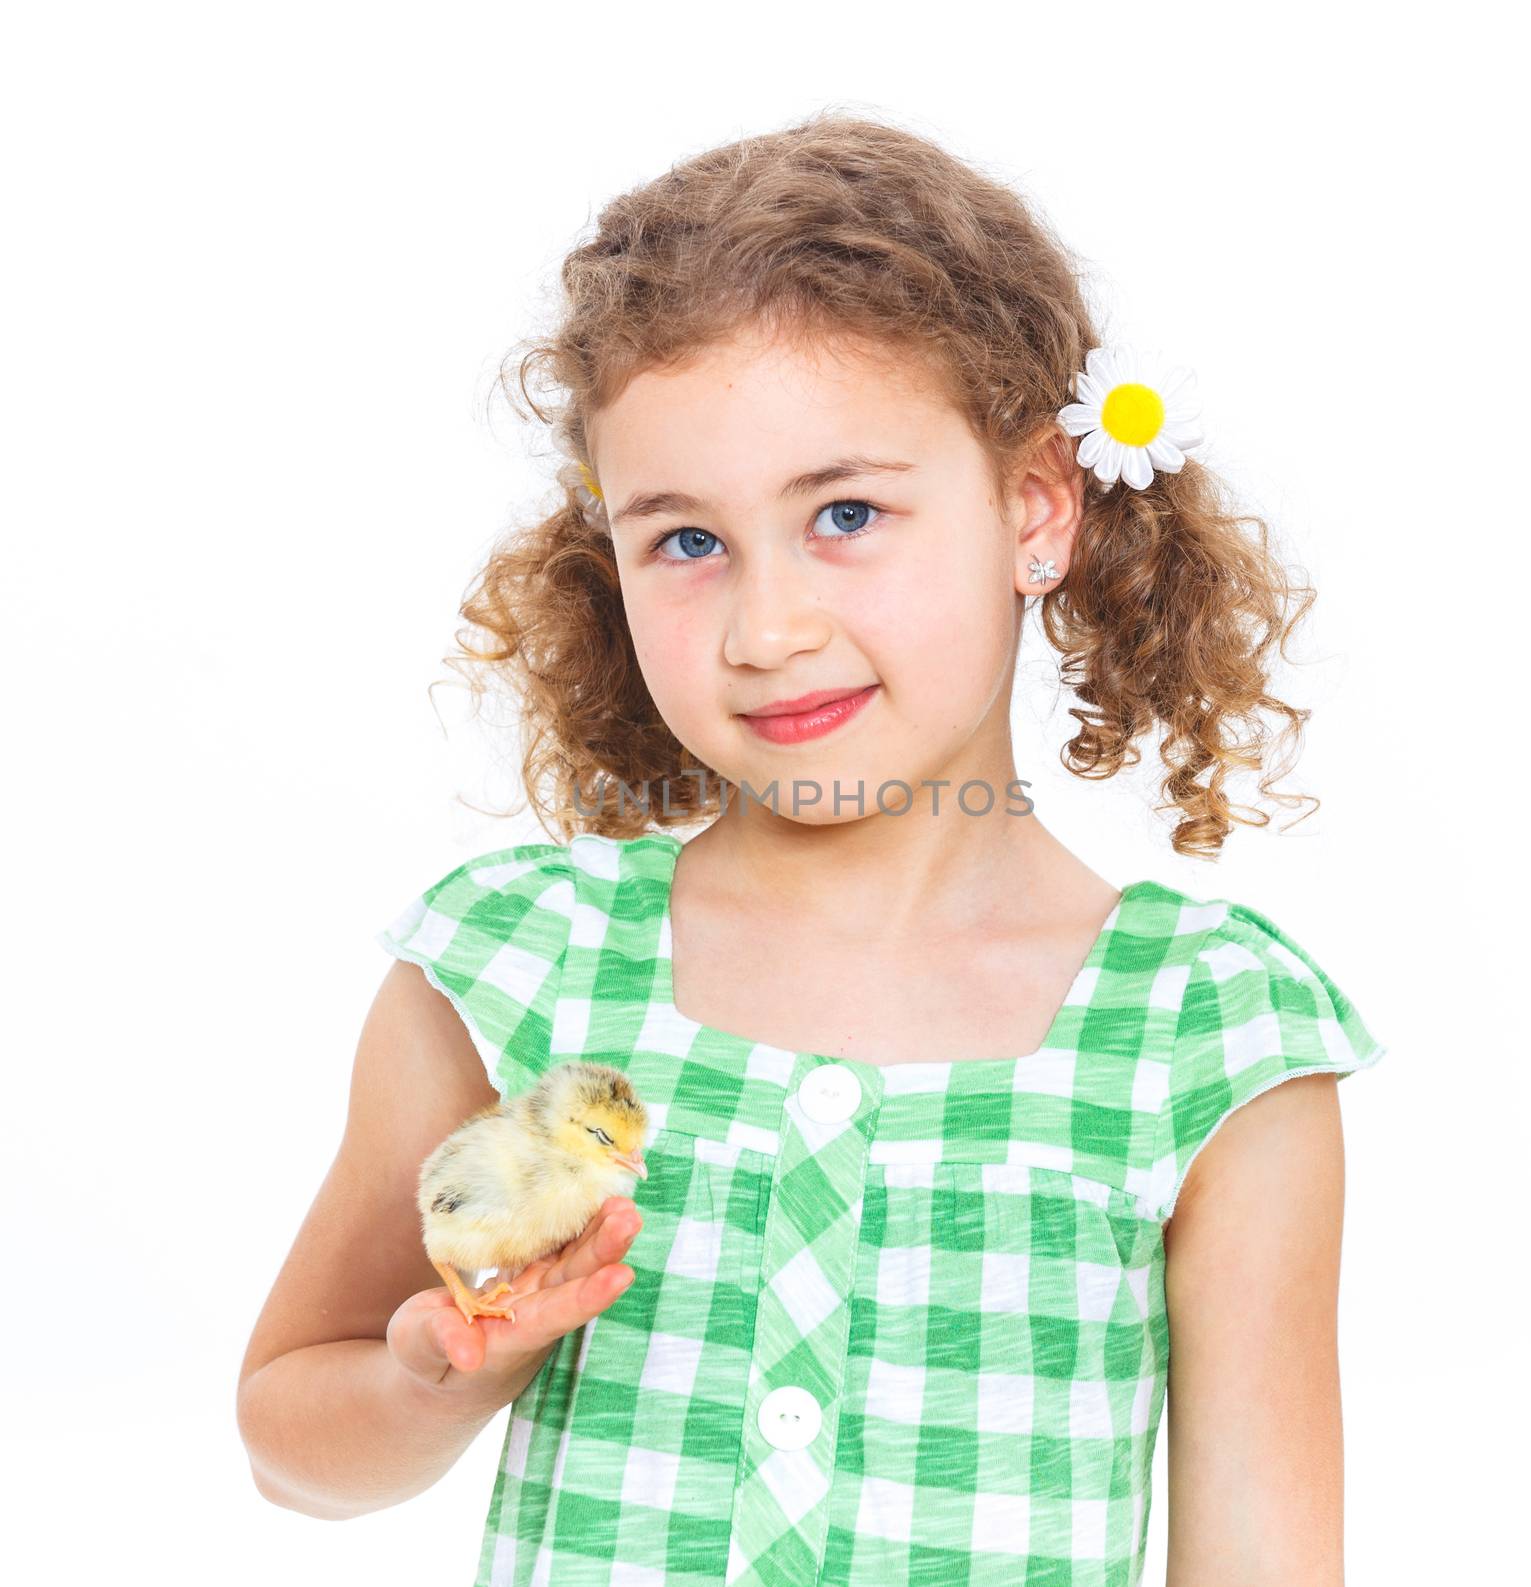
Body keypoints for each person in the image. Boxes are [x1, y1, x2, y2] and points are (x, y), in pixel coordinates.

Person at [236, 110, 1388, 1586]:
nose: (767, 629)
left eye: (845, 513)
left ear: (1036, 507)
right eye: (688, 541)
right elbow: (288, 1443)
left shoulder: (1209, 1034)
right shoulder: (513, 964)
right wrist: (431, 1372)